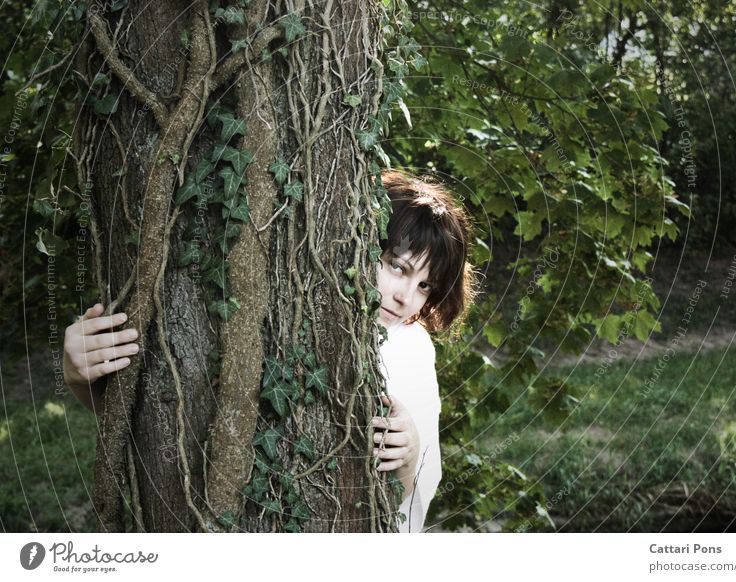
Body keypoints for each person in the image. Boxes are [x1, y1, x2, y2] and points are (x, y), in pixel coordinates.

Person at [63, 169, 477, 532]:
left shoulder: (413, 349)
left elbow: (405, 499)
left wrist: (408, 456)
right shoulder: (280, 307)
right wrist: (81, 376)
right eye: (396, 266)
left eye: (426, 286)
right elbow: (154, 419)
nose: (406, 297)